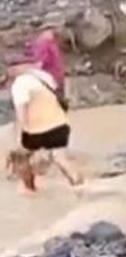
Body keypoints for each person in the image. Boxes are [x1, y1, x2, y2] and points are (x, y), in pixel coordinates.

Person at [6, 54, 82, 190]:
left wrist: (18, 139)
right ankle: (79, 185)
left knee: (22, 160)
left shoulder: (20, 84)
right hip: (60, 124)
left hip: (37, 129)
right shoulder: (43, 77)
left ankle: (31, 191)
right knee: (60, 157)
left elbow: (21, 113)